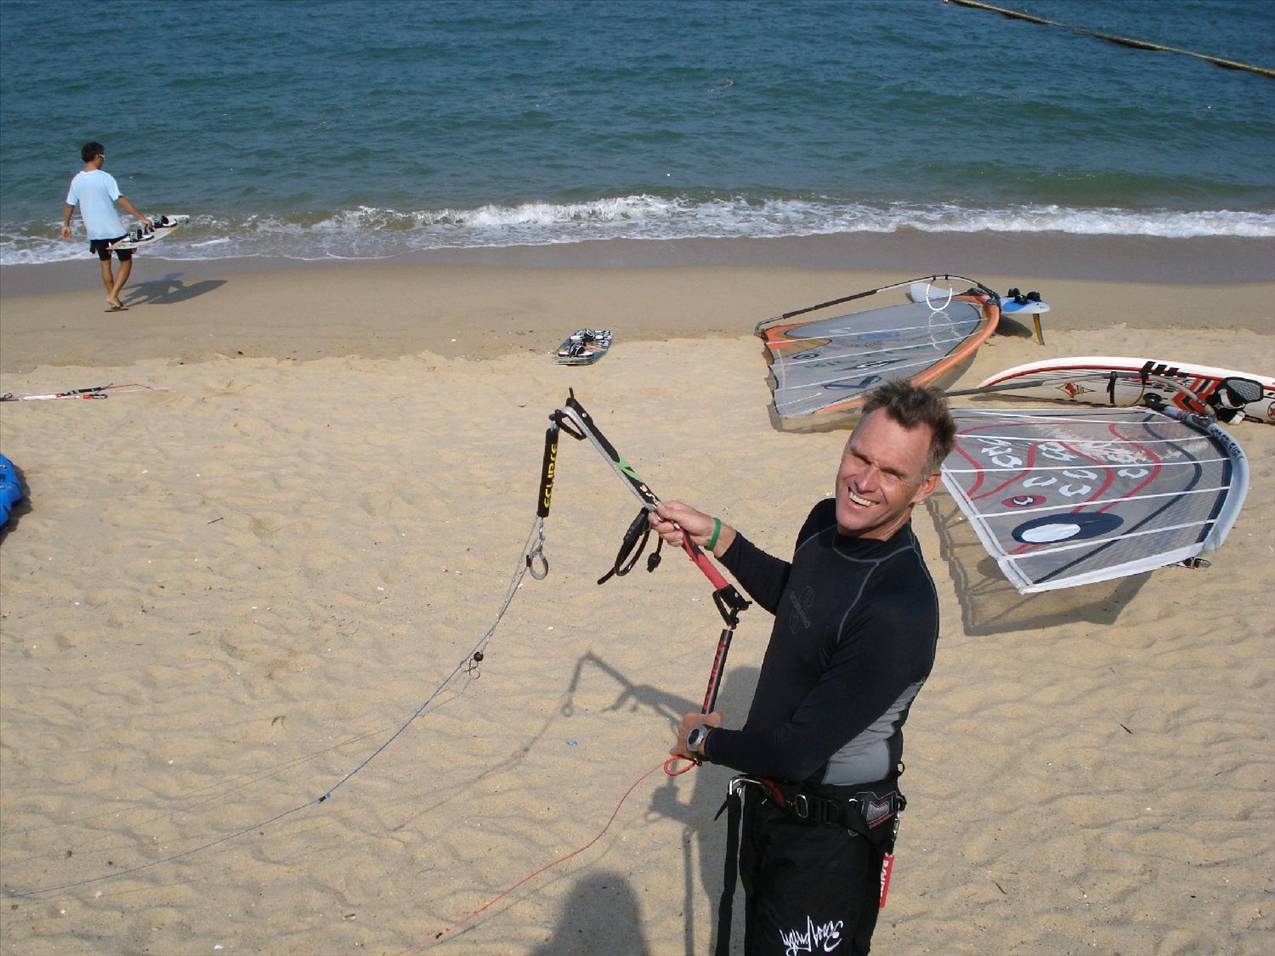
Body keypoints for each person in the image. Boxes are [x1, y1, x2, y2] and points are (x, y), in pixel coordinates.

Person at [649, 380, 955, 956]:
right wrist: (719, 536)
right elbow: (805, 605)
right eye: (859, 456)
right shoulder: (824, 521)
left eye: (891, 472)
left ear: (925, 486)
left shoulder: (900, 608)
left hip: (829, 840)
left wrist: (700, 740)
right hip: (771, 807)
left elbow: (796, 753)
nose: (864, 482)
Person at [61, 141, 150, 311]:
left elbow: (69, 204)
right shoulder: (105, 177)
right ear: (96, 156)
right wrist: (141, 217)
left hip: (95, 232)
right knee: (126, 261)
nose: (103, 159)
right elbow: (120, 199)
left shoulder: (76, 180)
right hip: (113, 230)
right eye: (103, 156)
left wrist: (66, 225)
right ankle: (113, 295)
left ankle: (114, 300)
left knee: (105, 263)